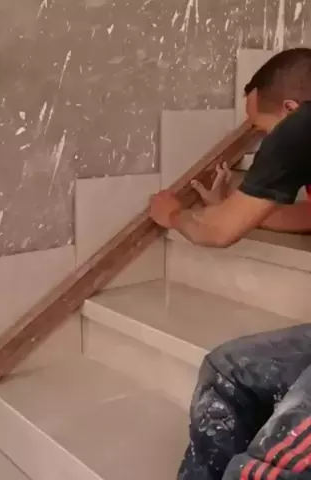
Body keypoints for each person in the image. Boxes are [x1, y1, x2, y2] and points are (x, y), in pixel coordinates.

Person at [148, 48, 311, 480]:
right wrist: (238, 208)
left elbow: (216, 234)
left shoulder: (302, 127)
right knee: (226, 371)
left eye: (262, 129)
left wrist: (175, 215)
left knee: (271, 464)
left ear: (292, 109)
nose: (262, 141)